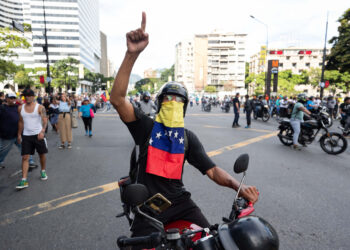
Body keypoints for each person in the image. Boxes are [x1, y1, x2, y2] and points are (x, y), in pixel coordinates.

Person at [110, 12, 258, 238]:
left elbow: (212, 170)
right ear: (160, 104)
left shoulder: (187, 138)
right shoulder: (146, 128)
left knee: (212, 239)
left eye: (179, 100)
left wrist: (239, 187)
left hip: (180, 202)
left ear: (185, 107)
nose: (173, 103)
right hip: (148, 208)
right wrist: (132, 54)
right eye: (168, 98)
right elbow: (118, 100)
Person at [16, 89, 48, 189]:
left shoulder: (40, 107)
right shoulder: (20, 108)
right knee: (25, 157)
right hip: (26, 136)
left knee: (41, 154)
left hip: (38, 135)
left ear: (33, 97)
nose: (27, 97)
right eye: (25, 96)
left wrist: (42, 131)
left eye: (29, 96)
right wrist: (19, 134)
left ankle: (43, 171)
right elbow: (21, 122)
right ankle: (24, 180)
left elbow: (45, 120)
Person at [0, 93, 36, 169]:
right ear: (6, 99)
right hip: (7, 135)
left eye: (14, 98)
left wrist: (23, 103)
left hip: (19, 133)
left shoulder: (19, 107)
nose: (13, 100)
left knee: (25, 148)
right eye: (11, 98)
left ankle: (30, 162)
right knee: (3, 151)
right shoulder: (2, 108)